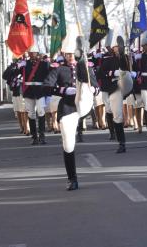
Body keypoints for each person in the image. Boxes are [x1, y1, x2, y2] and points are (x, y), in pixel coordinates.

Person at [43, 27, 98, 191]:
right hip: (68, 107)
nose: (70, 57)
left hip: (83, 103)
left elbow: (95, 85)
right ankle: (72, 178)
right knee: (68, 144)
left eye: (72, 54)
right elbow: (47, 86)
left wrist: (94, 90)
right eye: (67, 54)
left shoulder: (86, 68)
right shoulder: (59, 69)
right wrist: (62, 90)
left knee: (84, 86)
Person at [97, 28, 133, 153]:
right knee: (117, 115)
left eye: (120, 47)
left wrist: (129, 73)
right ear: (113, 48)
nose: (118, 48)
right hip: (114, 89)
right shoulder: (107, 60)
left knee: (125, 73)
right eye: (117, 47)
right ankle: (121, 143)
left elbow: (127, 67)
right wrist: (112, 73)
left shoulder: (126, 58)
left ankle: (124, 75)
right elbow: (100, 74)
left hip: (125, 83)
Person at [13, 43, 50, 145]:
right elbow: (11, 74)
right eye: (30, 52)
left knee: (41, 112)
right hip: (28, 91)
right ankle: (34, 137)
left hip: (40, 91)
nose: (32, 54)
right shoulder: (25, 64)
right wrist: (16, 65)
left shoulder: (43, 63)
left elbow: (49, 76)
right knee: (31, 114)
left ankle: (42, 135)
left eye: (33, 52)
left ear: (37, 53)